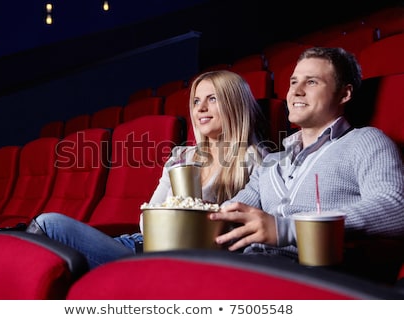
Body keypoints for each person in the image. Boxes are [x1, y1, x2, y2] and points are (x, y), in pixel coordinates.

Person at [26, 70, 267, 270]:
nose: (201, 107)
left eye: (212, 99)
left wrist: (180, 219)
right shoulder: (181, 156)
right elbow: (146, 218)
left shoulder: (255, 161)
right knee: (41, 249)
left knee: (49, 225)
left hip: (169, 261)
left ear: (235, 105)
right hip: (138, 244)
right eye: (196, 101)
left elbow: (239, 232)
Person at [209, 47, 404, 281]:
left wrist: (290, 229)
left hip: (315, 276)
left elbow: (395, 207)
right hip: (252, 267)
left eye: (311, 82)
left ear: (344, 94)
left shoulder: (366, 140)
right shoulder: (272, 161)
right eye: (293, 82)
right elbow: (231, 213)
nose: (296, 92)